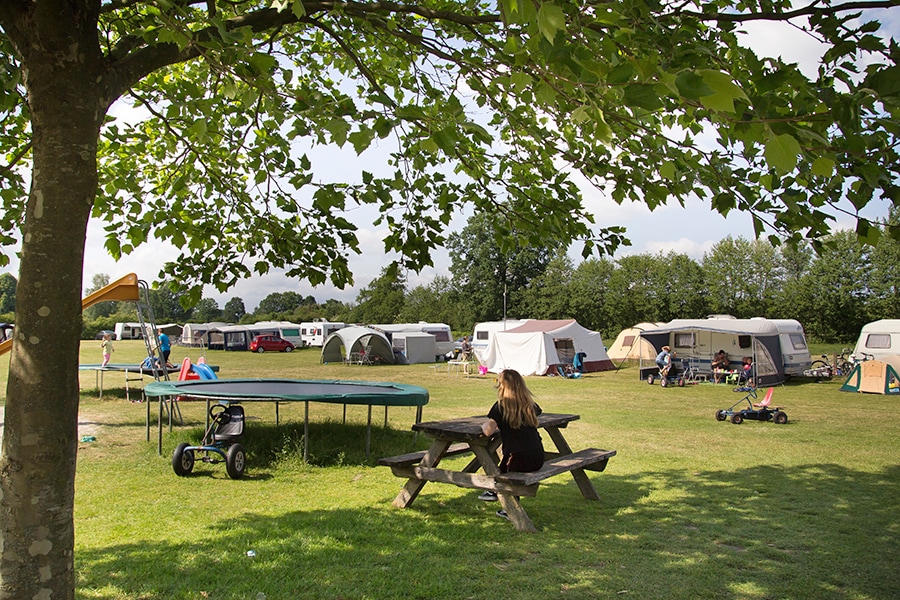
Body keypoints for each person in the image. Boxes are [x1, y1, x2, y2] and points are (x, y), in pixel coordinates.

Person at [477, 369, 545, 519]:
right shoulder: (530, 405)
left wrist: (483, 425)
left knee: (506, 470)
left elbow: (488, 431)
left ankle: (510, 509)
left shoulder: (501, 407)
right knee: (505, 464)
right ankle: (494, 491)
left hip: (517, 460)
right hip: (538, 457)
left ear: (502, 387)